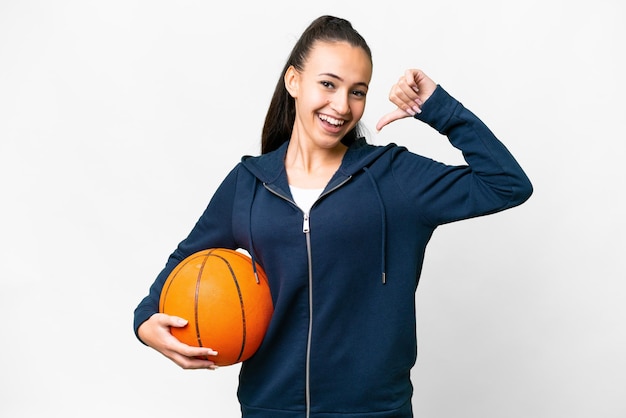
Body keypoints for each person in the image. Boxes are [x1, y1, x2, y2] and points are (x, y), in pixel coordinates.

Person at [133, 15, 533, 418]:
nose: (342, 106)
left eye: (357, 92)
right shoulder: (249, 183)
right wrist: (146, 320)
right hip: (270, 407)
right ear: (294, 81)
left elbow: (507, 183)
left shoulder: (393, 177)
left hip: (373, 411)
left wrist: (437, 108)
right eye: (328, 84)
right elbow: (183, 261)